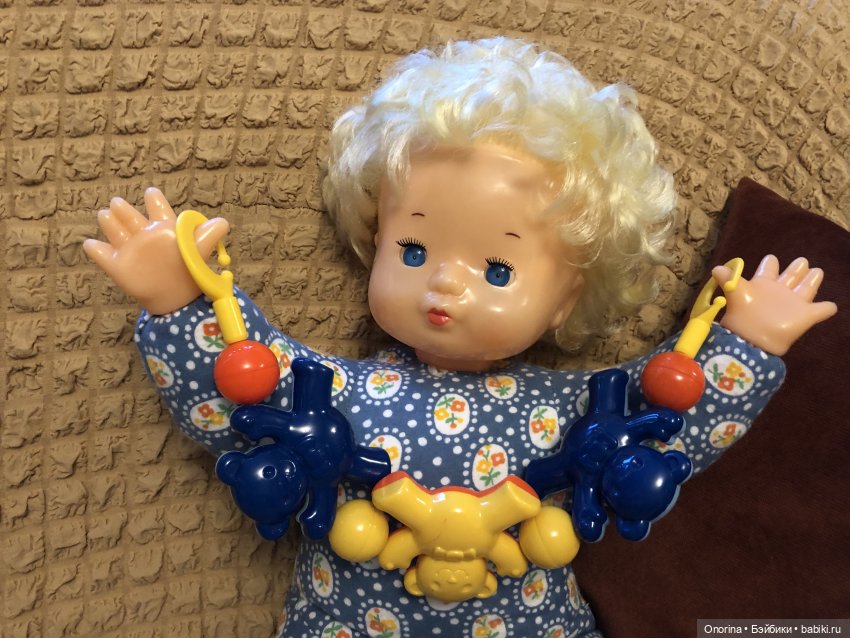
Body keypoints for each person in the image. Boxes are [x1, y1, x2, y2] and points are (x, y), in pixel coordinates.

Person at [84, 37, 835, 638]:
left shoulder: (580, 409)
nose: (445, 283)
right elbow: (241, 396)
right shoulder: (333, 394)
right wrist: (178, 295)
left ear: (569, 298)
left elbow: (667, 426)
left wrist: (745, 341)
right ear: (374, 236)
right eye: (413, 250)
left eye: (498, 269)